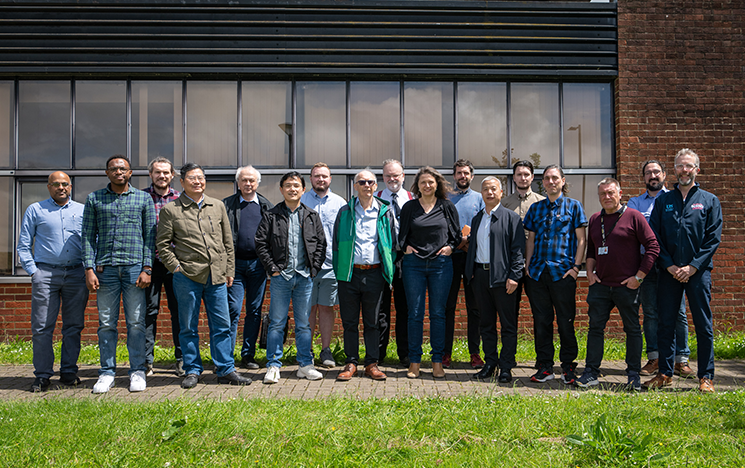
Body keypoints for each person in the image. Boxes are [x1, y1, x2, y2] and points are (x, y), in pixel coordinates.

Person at [157, 163, 251, 389]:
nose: (197, 181)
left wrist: (229, 270)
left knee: (222, 324)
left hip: (217, 276)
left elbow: (228, 242)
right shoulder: (171, 210)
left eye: (200, 177)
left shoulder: (217, 206)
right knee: (188, 325)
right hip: (187, 276)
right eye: (192, 178)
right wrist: (176, 268)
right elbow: (162, 245)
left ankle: (225, 369)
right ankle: (192, 369)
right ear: (182, 182)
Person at [644, 149, 722, 393]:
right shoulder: (663, 201)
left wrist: (692, 266)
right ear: (674, 170)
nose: (684, 170)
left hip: (698, 273)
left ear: (697, 169)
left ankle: (705, 377)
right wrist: (669, 265)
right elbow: (654, 236)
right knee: (665, 323)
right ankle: (665, 373)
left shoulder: (709, 200)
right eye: (680, 166)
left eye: (689, 166)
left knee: (703, 324)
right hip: (669, 272)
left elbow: (713, 239)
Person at [576, 178, 659, 391]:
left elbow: (652, 247)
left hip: (626, 286)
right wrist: (590, 273)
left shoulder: (634, 216)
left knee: (632, 329)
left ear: (620, 193)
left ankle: (633, 374)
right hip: (601, 286)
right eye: (603, 193)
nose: (607, 197)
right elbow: (592, 250)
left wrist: (638, 277)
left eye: (611, 192)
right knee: (595, 329)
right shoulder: (595, 219)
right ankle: (591, 372)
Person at [82, 155, 156, 394]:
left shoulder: (144, 198)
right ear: (107, 173)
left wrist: (147, 268)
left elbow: (150, 237)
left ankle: (137, 371)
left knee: (136, 322)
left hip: (135, 269)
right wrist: (89, 268)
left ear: (130, 172)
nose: (118, 172)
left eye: (122, 168)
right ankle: (107, 372)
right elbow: (87, 237)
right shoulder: (94, 199)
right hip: (106, 270)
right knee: (106, 323)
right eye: (113, 169)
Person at [18, 171, 89, 392]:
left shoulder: (82, 210)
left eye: (65, 184)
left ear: (70, 186)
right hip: (45, 275)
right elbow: (23, 244)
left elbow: (91, 241)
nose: (61, 188)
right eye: (56, 184)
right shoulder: (36, 210)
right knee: (41, 327)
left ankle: (68, 372)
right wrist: (33, 272)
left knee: (73, 326)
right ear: (49, 187)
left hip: (77, 275)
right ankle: (42, 375)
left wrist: (90, 268)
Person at [255, 172, 326, 384]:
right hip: (281, 278)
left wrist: (314, 269)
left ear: (303, 190)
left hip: (304, 277)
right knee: (277, 323)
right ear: (281, 189)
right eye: (288, 185)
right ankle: (273, 365)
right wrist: (273, 269)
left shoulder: (312, 215)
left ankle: (305, 365)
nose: (292, 189)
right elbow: (260, 243)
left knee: (304, 324)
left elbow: (321, 245)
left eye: (296, 186)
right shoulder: (272, 215)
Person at [628, 160, 693, 377]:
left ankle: (680, 360)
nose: (652, 176)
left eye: (656, 172)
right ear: (643, 177)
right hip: (646, 265)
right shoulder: (635, 203)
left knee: (679, 313)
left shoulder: (675, 199)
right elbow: (636, 233)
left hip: (671, 266)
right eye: (648, 173)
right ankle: (655, 358)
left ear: (665, 175)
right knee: (651, 312)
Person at [523, 165, 587, 385]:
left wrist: (576, 268)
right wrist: (528, 266)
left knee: (566, 321)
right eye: (547, 179)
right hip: (538, 274)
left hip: (563, 273)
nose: (550, 182)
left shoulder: (574, 206)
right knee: (541, 321)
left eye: (554, 178)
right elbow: (530, 240)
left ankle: (568, 366)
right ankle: (545, 366)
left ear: (562, 180)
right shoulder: (535, 209)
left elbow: (581, 240)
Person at [333, 170, 396, 381]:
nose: (366, 185)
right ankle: (351, 362)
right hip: (349, 275)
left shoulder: (385, 212)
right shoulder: (345, 212)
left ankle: (371, 363)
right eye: (362, 182)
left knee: (373, 321)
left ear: (376, 186)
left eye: (370, 182)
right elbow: (336, 246)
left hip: (375, 274)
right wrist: (340, 270)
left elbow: (392, 244)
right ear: (355, 186)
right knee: (349, 321)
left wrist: (389, 270)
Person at [399, 166, 461, 379]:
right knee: (414, 313)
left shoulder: (446, 207)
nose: (427, 185)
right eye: (423, 182)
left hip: (441, 266)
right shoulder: (409, 207)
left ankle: (437, 361)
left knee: (437, 314)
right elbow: (401, 235)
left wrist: (450, 248)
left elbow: (456, 235)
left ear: (437, 185)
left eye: (431, 182)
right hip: (413, 265)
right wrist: (405, 247)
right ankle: (414, 362)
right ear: (417, 186)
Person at [464, 177, 524, 383]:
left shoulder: (511, 218)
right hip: (480, 277)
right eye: (485, 190)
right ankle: (490, 363)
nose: (489, 193)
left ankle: (506, 366)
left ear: (501, 192)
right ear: (481, 194)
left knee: (508, 325)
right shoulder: (477, 219)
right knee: (486, 324)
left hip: (503, 278)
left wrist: (515, 276)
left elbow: (518, 251)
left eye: (493, 189)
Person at [224, 165, 274, 370]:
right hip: (234, 266)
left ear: (257, 183)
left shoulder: (266, 206)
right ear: (238, 182)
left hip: (257, 266)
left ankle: (248, 355)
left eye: (252, 180)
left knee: (254, 311)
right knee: (233, 310)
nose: (248, 183)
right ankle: (227, 357)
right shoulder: (227, 205)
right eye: (244, 180)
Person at [300, 162, 347, 368]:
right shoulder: (301, 200)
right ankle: (306, 350)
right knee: (308, 308)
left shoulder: (340, 203)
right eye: (317, 176)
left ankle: (325, 350)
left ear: (330, 179)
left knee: (327, 307)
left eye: (324, 176)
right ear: (310, 179)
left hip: (330, 264)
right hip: (305, 265)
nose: (321, 179)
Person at [142, 157, 182, 377]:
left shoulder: (180, 198)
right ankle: (147, 362)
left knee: (180, 313)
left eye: (166, 172)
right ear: (151, 175)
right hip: (150, 264)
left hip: (176, 265)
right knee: (149, 312)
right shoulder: (141, 197)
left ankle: (181, 359)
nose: (162, 176)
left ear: (172, 175)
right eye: (158, 172)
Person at [445, 159, 485, 369]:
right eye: (459, 173)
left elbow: (483, 224)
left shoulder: (479, 198)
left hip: (472, 256)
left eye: (466, 173)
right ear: (454, 176)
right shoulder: (445, 197)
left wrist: (468, 243)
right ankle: (445, 353)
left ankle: (475, 353)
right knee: (448, 307)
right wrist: (457, 243)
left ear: (472, 176)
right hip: (450, 257)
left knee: (474, 307)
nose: (463, 176)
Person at [376, 159, 414, 366]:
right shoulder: (375, 198)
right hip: (383, 259)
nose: (392, 179)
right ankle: (378, 354)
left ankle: (405, 353)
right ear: (383, 178)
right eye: (388, 176)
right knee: (380, 308)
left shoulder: (412, 198)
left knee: (405, 308)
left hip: (406, 259)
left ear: (403, 176)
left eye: (396, 175)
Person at [501, 160, 545, 324]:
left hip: (536, 262)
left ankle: (541, 349)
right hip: (511, 263)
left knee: (540, 310)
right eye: (519, 174)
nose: (523, 178)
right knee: (510, 310)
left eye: (526, 174)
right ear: (513, 177)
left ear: (532, 177)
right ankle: (510, 349)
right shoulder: (504, 204)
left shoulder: (542, 203)